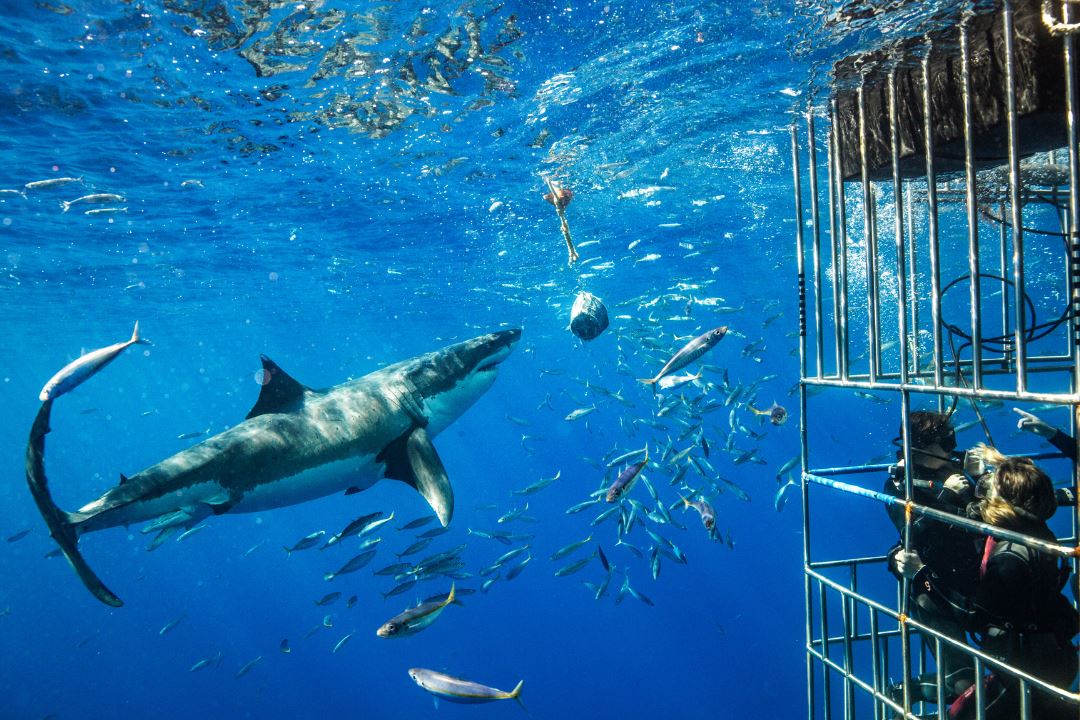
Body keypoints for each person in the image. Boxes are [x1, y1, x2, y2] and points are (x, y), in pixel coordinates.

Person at [895, 446, 1079, 720]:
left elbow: (973, 616)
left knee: (963, 715)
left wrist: (921, 574)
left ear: (1003, 504)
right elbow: (976, 509)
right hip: (1050, 658)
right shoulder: (1034, 529)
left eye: (988, 495)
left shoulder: (1009, 558)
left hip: (1026, 670)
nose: (982, 502)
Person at [883, 411, 983, 707]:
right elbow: (912, 532)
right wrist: (948, 497)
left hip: (978, 582)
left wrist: (982, 479)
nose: (953, 448)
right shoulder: (900, 485)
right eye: (946, 442)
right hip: (935, 591)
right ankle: (909, 690)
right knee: (966, 685)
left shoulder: (953, 469)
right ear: (921, 447)